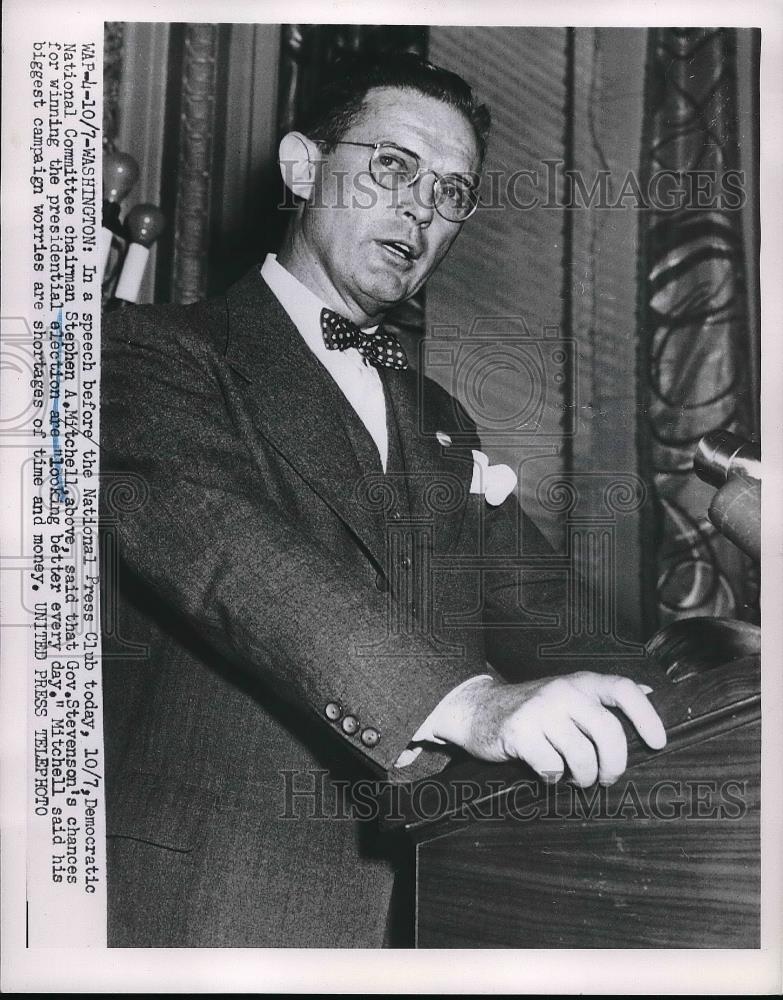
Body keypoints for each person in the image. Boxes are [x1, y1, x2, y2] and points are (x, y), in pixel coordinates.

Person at [99, 52, 666, 948]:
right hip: (215, 900)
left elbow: (559, 628)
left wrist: (727, 658)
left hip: (433, 909)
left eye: (452, 192)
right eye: (394, 166)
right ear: (300, 166)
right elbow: (225, 551)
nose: (421, 209)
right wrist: (471, 704)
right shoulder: (151, 352)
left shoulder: (443, 421)